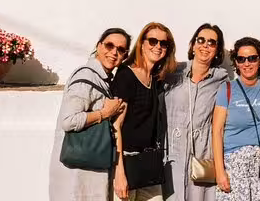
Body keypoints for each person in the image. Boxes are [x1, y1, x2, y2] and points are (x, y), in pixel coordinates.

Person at [49, 28, 132, 201]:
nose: (114, 52)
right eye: (109, 45)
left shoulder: (102, 79)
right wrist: (104, 113)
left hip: (87, 172)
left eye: (120, 49)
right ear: (99, 46)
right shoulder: (86, 76)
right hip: (77, 176)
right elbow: (68, 121)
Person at [112, 22, 178, 201]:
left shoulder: (156, 80)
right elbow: (116, 126)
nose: (158, 46)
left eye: (163, 43)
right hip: (126, 162)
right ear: (141, 43)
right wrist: (119, 174)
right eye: (153, 41)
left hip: (149, 164)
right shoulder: (126, 75)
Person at [162, 23, 229, 201]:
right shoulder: (173, 72)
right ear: (193, 45)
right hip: (171, 156)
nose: (205, 45)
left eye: (212, 43)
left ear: (217, 50)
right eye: (201, 40)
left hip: (201, 157)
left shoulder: (221, 79)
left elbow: (243, 86)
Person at [212, 37, 260, 201]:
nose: (247, 63)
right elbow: (217, 131)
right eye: (241, 59)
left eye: (252, 58)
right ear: (236, 62)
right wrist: (220, 172)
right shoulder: (227, 89)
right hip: (234, 168)